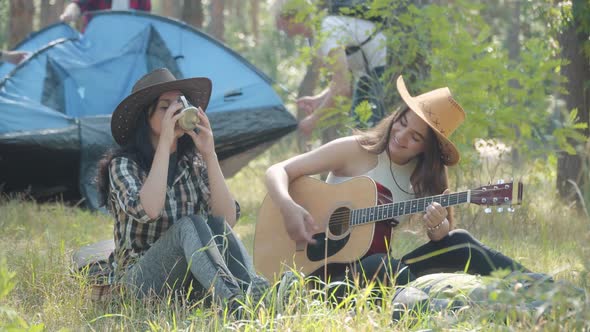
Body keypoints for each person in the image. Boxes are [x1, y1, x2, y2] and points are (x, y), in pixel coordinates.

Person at [264, 75, 532, 297]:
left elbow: (442, 239)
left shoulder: (425, 179)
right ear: (395, 117)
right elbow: (278, 170)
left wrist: (439, 228)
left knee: (459, 242)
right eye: (401, 123)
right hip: (323, 273)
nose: (401, 137)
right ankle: (425, 298)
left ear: (429, 149)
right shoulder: (354, 150)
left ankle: (539, 288)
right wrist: (288, 207)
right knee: (386, 268)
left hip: (374, 269)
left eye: (415, 137)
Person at [96, 68, 268, 312]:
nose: (175, 113)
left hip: (188, 282)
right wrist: (165, 144)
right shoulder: (123, 165)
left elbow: (227, 220)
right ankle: (236, 303)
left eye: (179, 105)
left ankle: (257, 294)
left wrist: (210, 154)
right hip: (138, 283)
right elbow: (149, 211)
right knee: (190, 224)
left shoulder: (193, 165)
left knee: (215, 225)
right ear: (146, 118)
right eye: (165, 107)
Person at [273, 0, 387, 140]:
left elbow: (342, 87)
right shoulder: (316, 38)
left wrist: (314, 120)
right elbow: (344, 80)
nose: (279, 28)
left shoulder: (326, 29)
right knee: (358, 133)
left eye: (280, 21)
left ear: (292, 17)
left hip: (383, 69)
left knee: (366, 135)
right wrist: (319, 99)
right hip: (365, 77)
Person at [60, 0, 151, 32]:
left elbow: (145, 18)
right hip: (96, 44)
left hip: (128, 46)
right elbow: (78, 4)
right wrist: (69, 13)